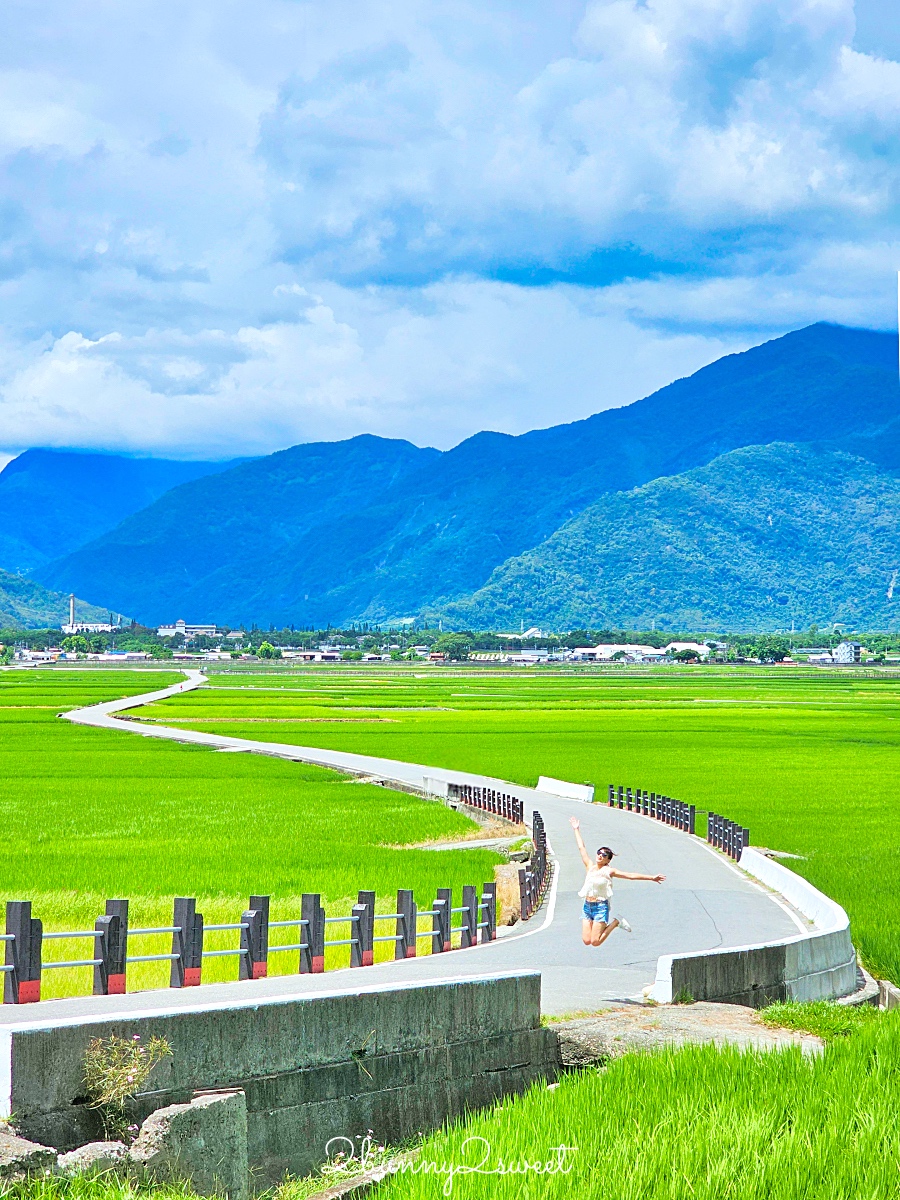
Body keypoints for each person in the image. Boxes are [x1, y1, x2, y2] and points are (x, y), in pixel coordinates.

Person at [569, 816, 665, 947]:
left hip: (600, 907)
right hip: (587, 906)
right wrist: (576, 829)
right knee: (586, 941)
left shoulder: (609, 871)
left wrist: (651, 877)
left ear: (608, 860)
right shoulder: (590, 866)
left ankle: (615, 922)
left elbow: (630, 875)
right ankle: (611, 923)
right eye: (599, 853)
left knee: (595, 942)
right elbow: (581, 848)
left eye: (603, 855)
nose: (599, 856)